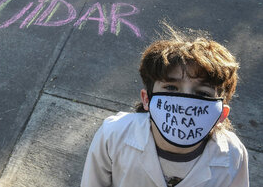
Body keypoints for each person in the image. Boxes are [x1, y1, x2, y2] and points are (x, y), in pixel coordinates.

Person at [81, 25, 249, 187]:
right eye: (171, 88)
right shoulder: (113, 134)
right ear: (146, 99)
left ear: (222, 114)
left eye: (202, 94)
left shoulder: (232, 155)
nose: (185, 101)